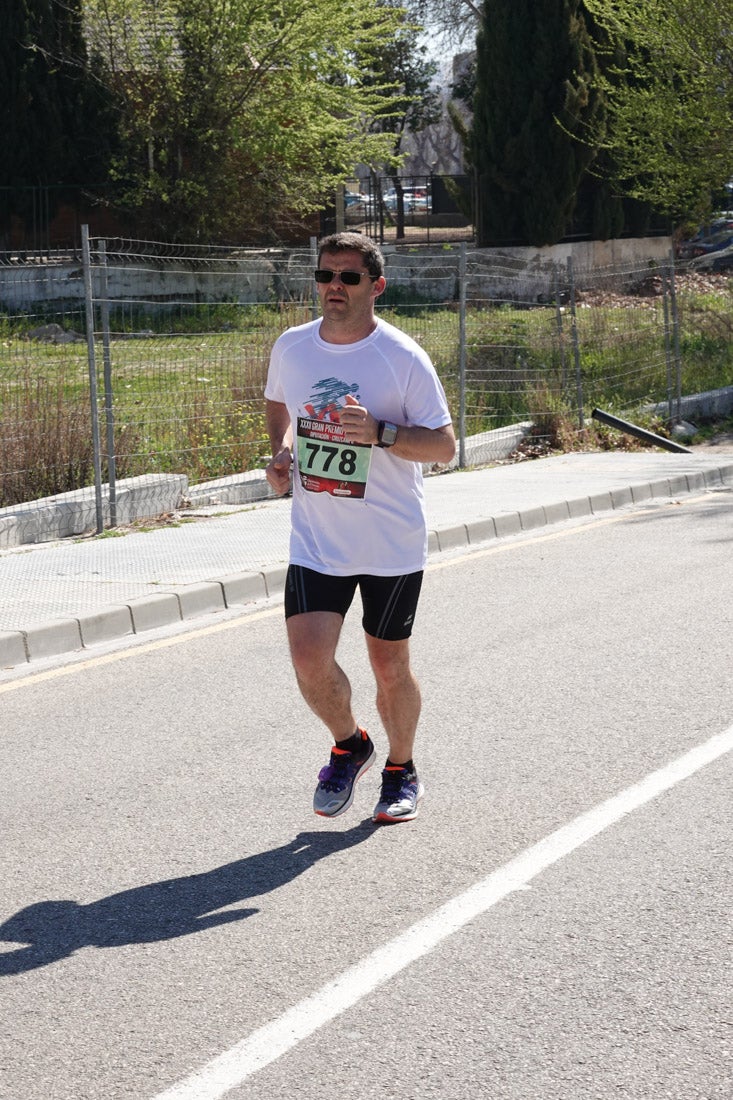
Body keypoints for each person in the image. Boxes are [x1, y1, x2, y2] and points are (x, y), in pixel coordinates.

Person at [265, 231, 456, 824]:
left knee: (387, 664)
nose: (333, 288)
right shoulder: (293, 348)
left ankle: (402, 769)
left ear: (376, 286)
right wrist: (279, 452)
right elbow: (281, 404)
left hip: (390, 543)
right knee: (308, 661)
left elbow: (445, 447)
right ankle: (351, 744)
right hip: (317, 539)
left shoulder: (401, 357)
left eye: (348, 278)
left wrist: (382, 434)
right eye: (325, 276)